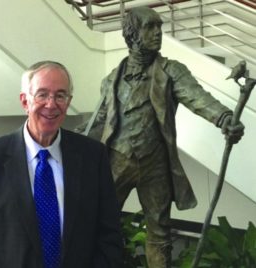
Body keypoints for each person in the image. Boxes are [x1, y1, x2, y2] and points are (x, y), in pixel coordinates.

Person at [78, 7, 245, 268]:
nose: (158, 33)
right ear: (132, 34)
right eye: (150, 27)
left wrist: (224, 118)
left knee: (159, 234)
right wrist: (69, 137)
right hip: (115, 163)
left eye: (159, 27)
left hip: (155, 165)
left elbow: (197, 98)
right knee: (103, 225)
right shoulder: (111, 79)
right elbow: (99, 121)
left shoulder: (171, 71)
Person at [0, 61, 123, 268]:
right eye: (42, 94)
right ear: (25, 101)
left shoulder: (93, 156)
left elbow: (109, 235)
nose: (51, 104)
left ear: (68, 101)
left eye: (60, 95)